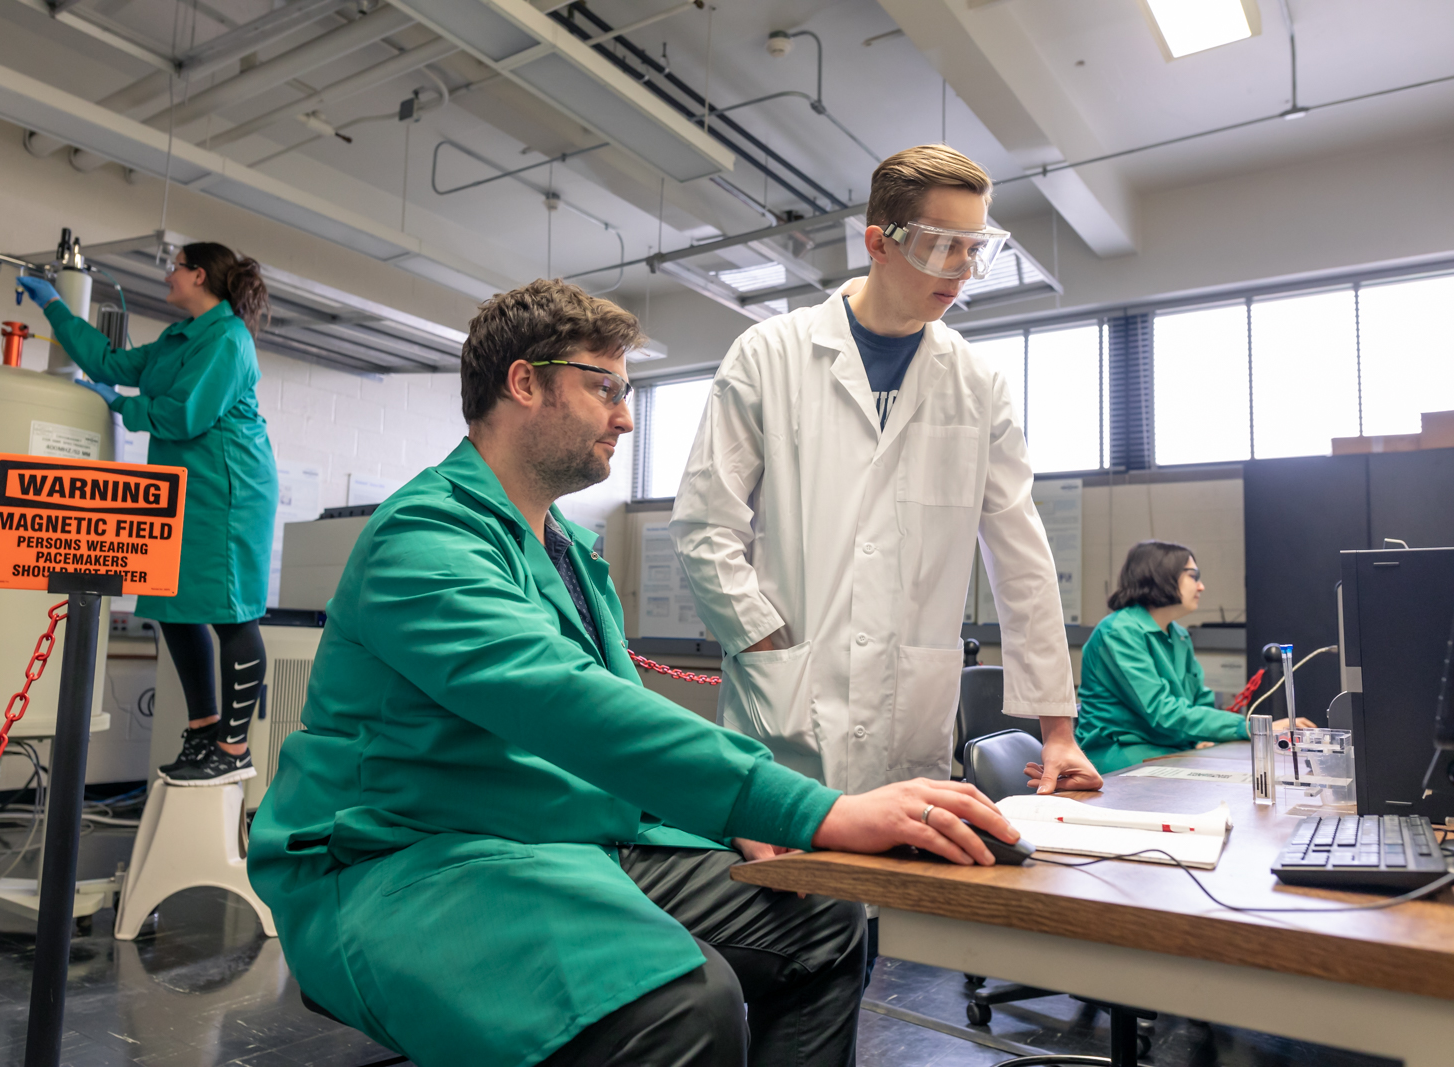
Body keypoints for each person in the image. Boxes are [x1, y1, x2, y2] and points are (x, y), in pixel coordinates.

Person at [247, 279, 1021, 1067]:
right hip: (406, 855)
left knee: (824, 918)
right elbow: (565, 704)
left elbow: (608, 722)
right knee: (685, 1004)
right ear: (523, 382)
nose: (623, 416)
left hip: (558, 836)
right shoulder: (424, 536)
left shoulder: (571, 553)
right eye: (604, 387)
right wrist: (814, 809)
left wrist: (732, 818)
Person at [671, 146, 1100, 882]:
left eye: (976, 249)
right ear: (879, 241)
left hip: (908, 717)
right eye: (943, 245)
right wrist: (766, 639)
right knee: (781, 925)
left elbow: (1021, 554)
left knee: (883, 932)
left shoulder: (977, 383)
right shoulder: (768, 355)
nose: (962, 269)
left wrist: (1057, 730)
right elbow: (705, 526)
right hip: (785, 713)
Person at [16, 244, 279, 786]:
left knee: (232, 613)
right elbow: (110, 364)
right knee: (172, 607)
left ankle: (233, 748)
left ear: (199, 275)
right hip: (185, 489)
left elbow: (184, 415)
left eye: (176, 266)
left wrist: (116, 404)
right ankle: (205, 729)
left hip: (229, 490)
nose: (168, 274)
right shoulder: (179, 338)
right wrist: (55, 308)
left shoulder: (229, 339)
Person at [1076, 540, 1314, 773]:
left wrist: (1205, 735)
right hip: (1119, 753)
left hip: (1168, 748)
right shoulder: (1118, 632)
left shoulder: (1178, 634)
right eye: (1193, 575)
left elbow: (1199, 700)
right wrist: (1252, 727)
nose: (1201, 587)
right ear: (1160, 575)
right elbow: (1163, 713)